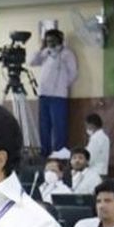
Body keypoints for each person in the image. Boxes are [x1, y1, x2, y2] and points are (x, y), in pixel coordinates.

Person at [29, 29, 78, 157]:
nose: (50, 43)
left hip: (58, 96)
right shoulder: (45, 53)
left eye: (52, 40)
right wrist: (41, 48)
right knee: (44, 126)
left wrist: (62, 85)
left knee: (59, 126)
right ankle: (44, 152)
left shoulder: (67, 54)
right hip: (44, 94)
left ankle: (59, 153)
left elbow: (73, 74)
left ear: (59, 40)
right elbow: (32, 62)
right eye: (48, 40)